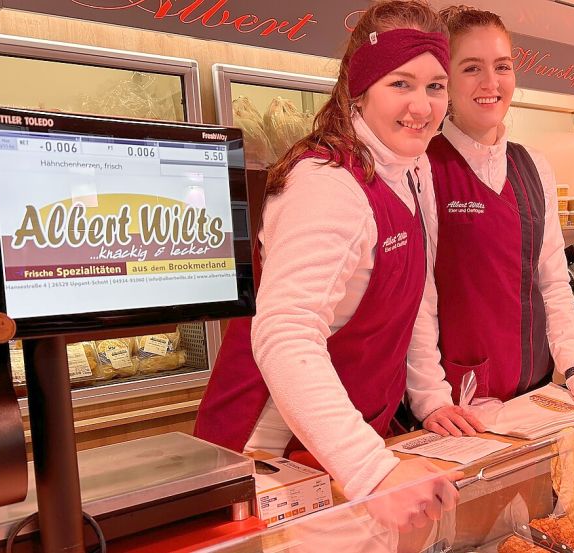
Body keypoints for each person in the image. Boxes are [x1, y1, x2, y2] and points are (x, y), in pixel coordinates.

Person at [194, 0, 456, 530]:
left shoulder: (414, 168)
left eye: (435, 86)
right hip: (267, 456)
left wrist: (429, 396)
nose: (421, 106)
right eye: (400, 83)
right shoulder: (327, 184)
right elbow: (285, 334)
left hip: (347, 445)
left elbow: (417, 293)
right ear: (358, 90)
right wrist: (372, 470)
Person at [406, 5, 574, 437]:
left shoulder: (533, 166)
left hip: (534, 396)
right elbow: (418, 296)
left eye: (502, 66)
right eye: (471, 68)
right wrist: (430, 397)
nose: (491, 83)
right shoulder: (422, 167)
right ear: (446, 79)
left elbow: (552, 280)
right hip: (456, 409)